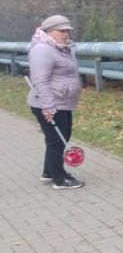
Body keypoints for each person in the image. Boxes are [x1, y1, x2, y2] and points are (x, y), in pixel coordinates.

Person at [27, 15, 85, 189]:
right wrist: (48, 106)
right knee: (57, 141)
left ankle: (48, 172)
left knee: (59, 138)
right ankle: (59, 179)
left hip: (62, 101)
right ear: (49, 31)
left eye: (67, 31)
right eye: (61, 31)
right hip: (50, 103)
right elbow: (40, 80)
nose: (65, 34)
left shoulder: (60, 48)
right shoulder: (43, 49)